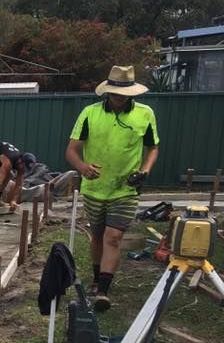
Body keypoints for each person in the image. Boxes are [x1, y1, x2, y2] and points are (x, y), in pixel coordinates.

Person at [65, 65, 159, 312]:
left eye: (125, 94)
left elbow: (153, 147)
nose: (120, 98)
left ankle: (103, 290)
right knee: (97, 237)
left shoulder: (145, 114)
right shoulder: (90, 114)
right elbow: (71, 151)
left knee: (113, 237)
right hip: (95, 188)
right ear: (108, 92)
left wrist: (146, 170)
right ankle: (97, 278)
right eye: (116, 93)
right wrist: (83, 167)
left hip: (126, 188)